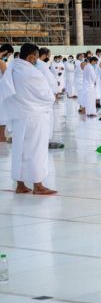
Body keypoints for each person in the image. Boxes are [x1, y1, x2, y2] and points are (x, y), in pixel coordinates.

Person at [0, 43, 57, 195]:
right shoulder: (32, 73)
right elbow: (47, 96)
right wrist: (52, 98)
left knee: (20, 150)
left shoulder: (13, 68)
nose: (36, 61)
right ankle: (38, 185)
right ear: (31, 57)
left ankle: (20, 185)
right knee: (36, 150)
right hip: (34, 117)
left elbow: (6, 90)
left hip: (19, 117)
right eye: (36, 58)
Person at [0, 43, 12, 142]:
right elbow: (7, 76)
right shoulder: (1, 62)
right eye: (8, 55)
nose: (8, 57)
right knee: (2, 114)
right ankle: (1, 137)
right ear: (5, 52)